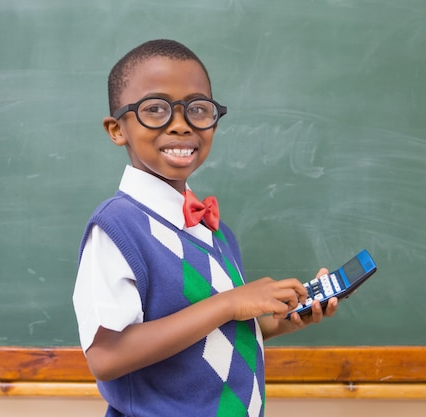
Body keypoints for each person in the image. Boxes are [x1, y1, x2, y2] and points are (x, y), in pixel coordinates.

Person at [73, 39, 338, 417]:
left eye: (198, 109)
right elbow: (106, 355)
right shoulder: (116, 227)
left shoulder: (214, 231)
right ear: (117, 129)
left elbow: (207, 338)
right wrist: (230, 303)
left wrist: (272, 322)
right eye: (155, 109)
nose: (181, 125)